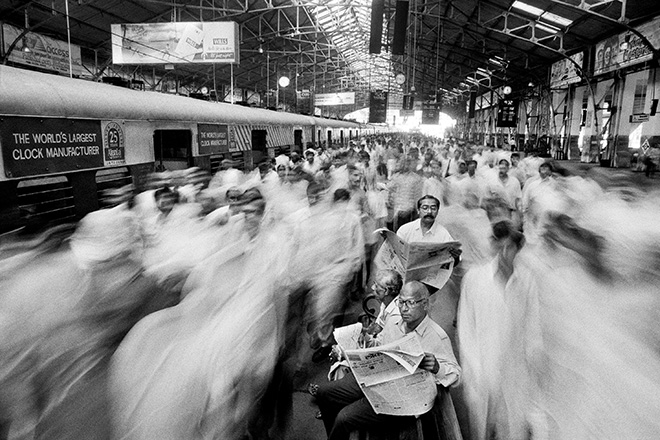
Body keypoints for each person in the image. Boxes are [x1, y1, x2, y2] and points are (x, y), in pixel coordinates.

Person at [315, 281, 461, 440]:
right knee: (323, 393)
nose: (404, 308)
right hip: (377, 378)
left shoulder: (436, 336)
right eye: (401, 302)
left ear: (425, 304)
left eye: (411, 303)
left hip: (401, 398)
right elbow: (380, 346)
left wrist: (437, 367)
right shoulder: (394, 321)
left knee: (344, 418)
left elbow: (456, 375)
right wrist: (361, 344)